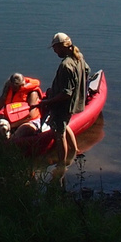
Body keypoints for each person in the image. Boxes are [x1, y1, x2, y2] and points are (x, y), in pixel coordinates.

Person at [41, 31, 89, 164]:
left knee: (59, 135)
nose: (55, 51)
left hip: (63, 106)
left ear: (62, 46)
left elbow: (66, 93)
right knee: (65, 126)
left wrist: (47, 101)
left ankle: (62, 166)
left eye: (55, 48)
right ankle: (75, 149)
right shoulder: (79, 57)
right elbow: (87, 71)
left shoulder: (66, 65)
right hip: (73, 104)